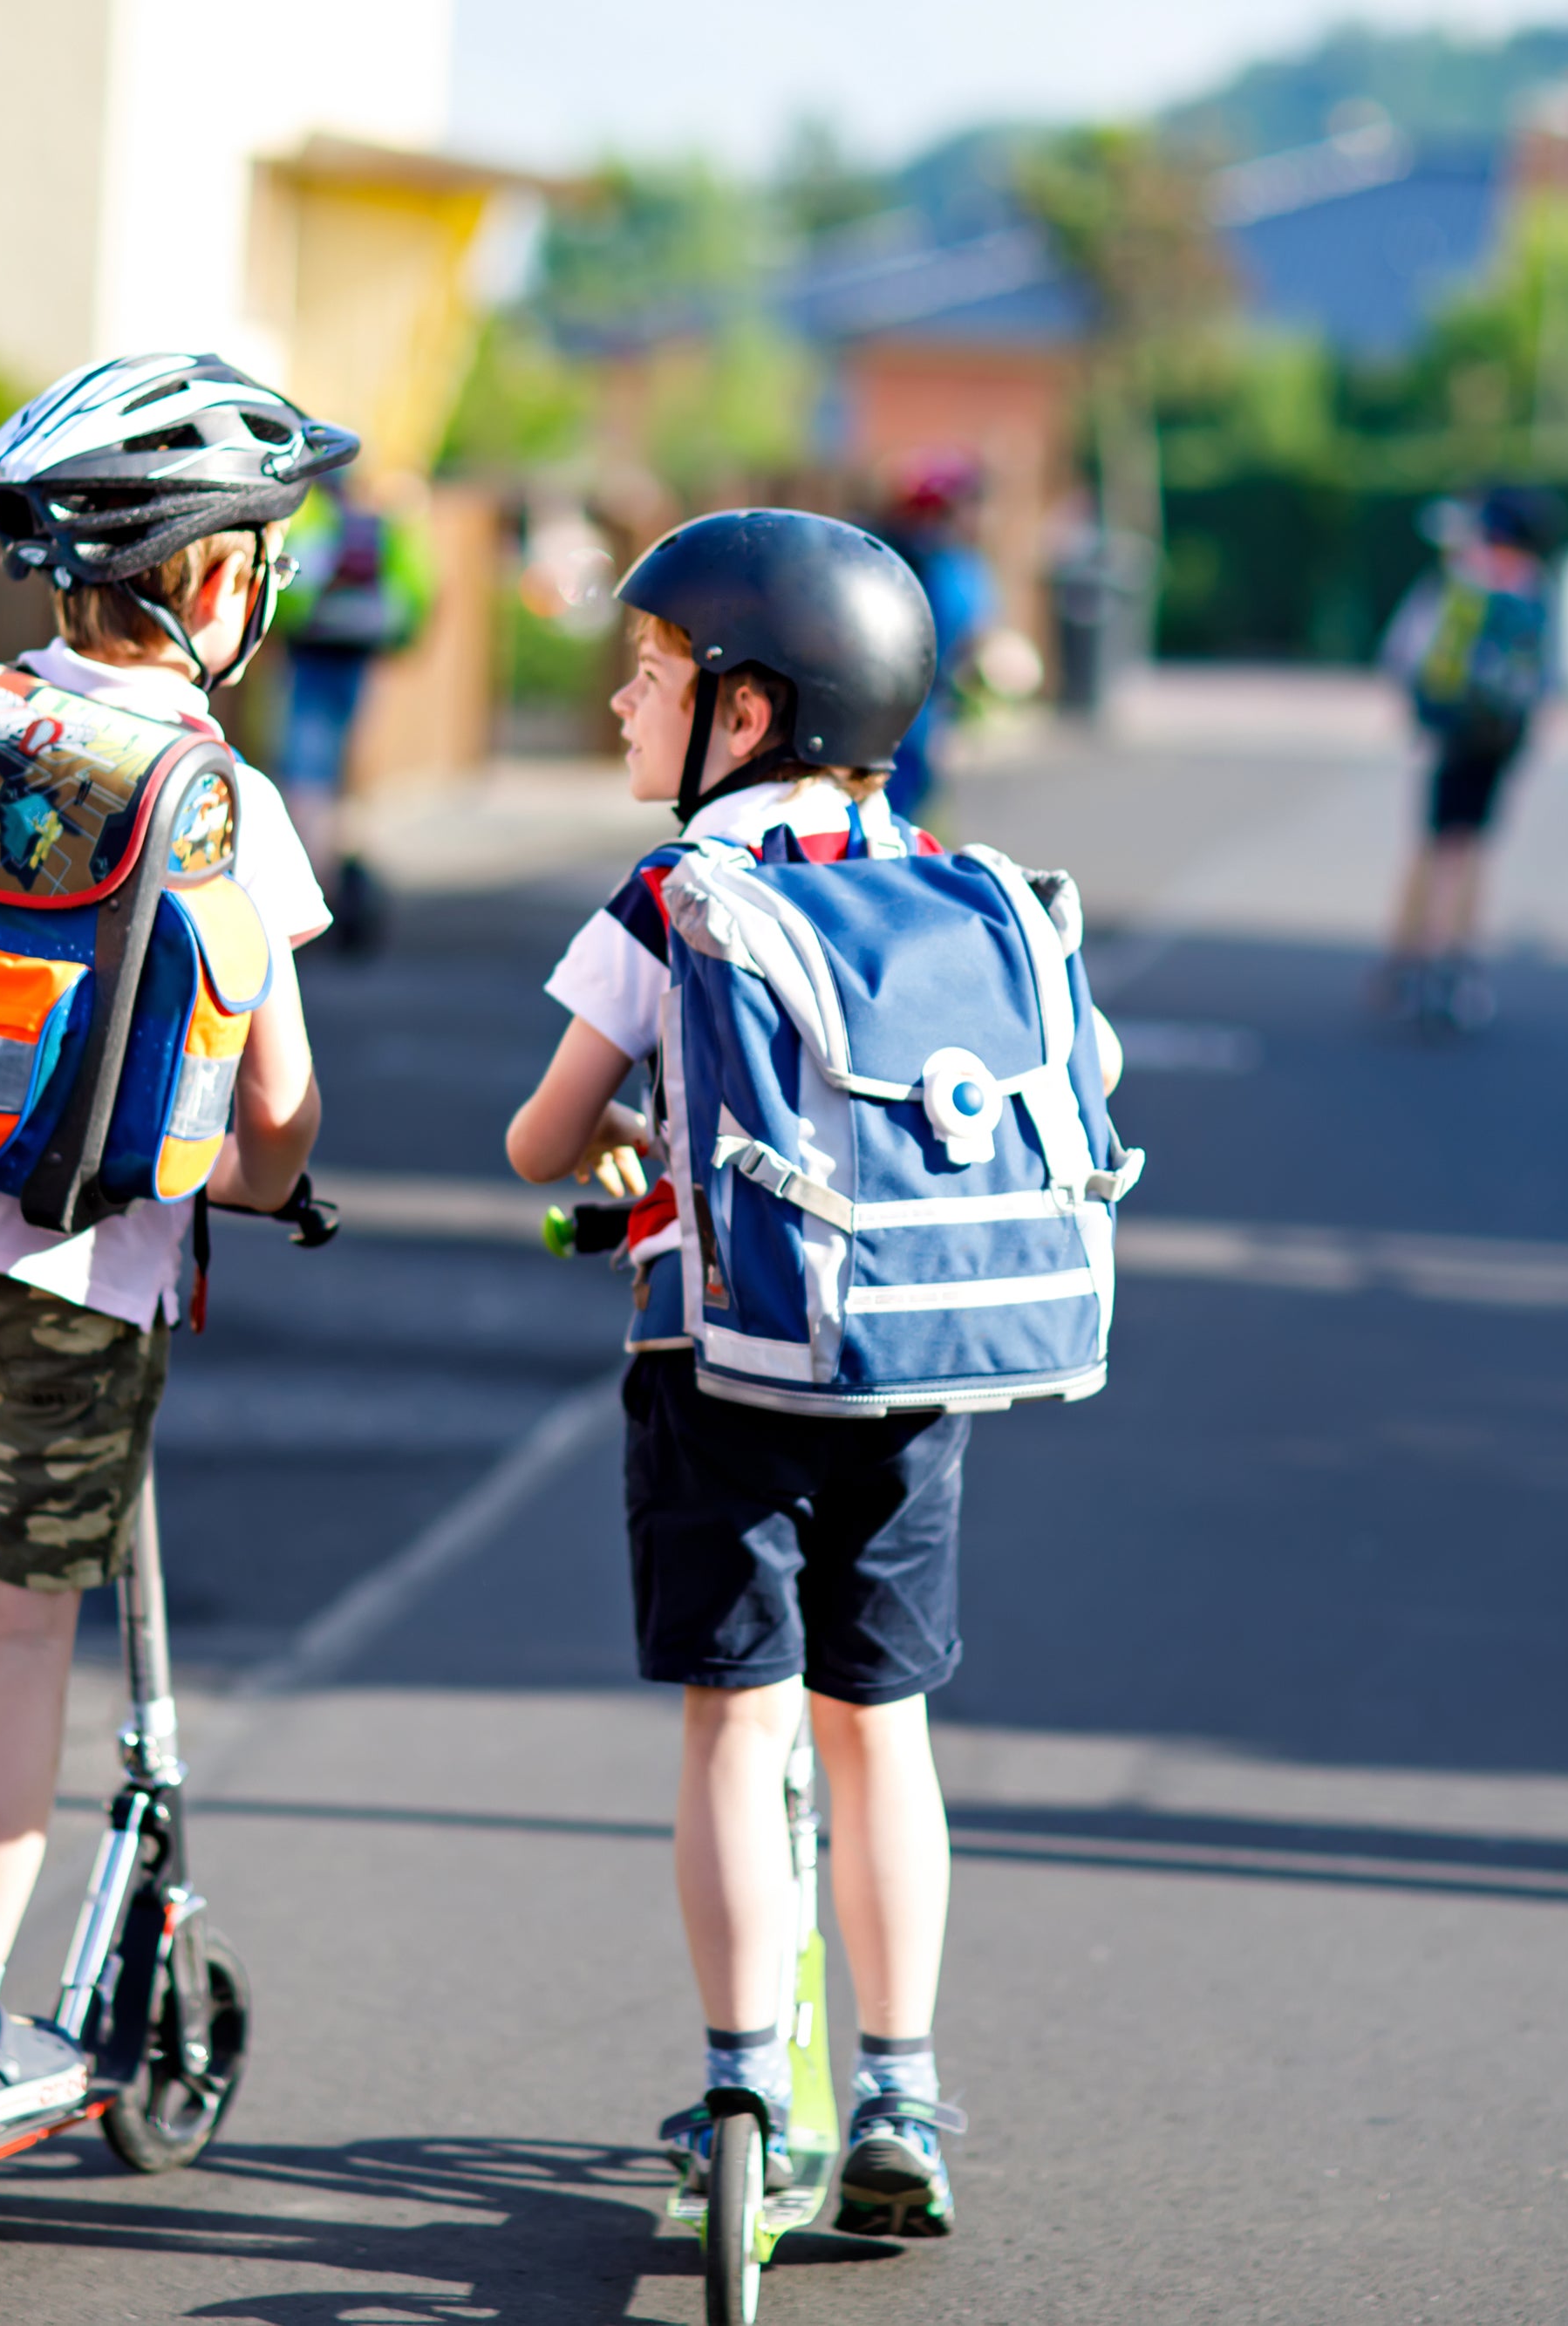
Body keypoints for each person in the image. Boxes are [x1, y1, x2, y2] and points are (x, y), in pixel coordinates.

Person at [0, 354, 341, 2136]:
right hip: (83, 1269)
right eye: (259, 560)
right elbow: (274, 1103)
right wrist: (278, 1185)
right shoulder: (217, 800)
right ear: (209, 583)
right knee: (20, 1633)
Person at [501, 508, 976, 2240]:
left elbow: (540, 1132)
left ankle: (737, 2076)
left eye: (649, 674)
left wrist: (635, 1141)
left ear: (748, 713)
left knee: (735, 1713)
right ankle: (898, 2085)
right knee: (881, 1726)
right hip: (910, 1359)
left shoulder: (674, 894)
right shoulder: (932, 871)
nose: (624, 703)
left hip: (720, 1357)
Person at [1372, 484, 1565, 1027]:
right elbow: (1549, 674)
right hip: (1503, 734)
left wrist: (1418, 708)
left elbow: (1403, 650)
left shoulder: (1460, 579)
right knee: (1473, 845)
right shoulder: (1535, 587)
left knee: (1436, 842)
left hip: (1452, 730)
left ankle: (1412, 957)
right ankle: (1458, 958)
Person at [270, 473, 433, 954]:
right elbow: (416, 592)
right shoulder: (385, 524)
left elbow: (286, 588)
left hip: (311, 650)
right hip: (360, 651)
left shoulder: (310, 521)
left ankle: (313, 892)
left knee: (306, 773)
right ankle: (344, 873)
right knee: (343, 771)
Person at [870, 448, 999, 828]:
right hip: (894, 710)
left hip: (926, 709)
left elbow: (971, 638)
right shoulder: (921, 563)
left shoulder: (962, 567)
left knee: (908, 805)